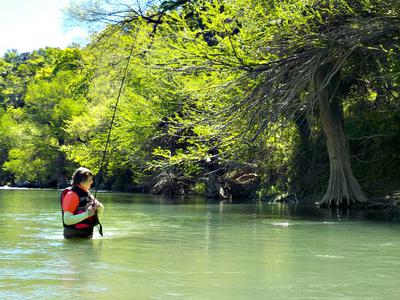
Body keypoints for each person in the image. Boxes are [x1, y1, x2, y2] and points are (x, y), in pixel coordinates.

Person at [61, 167, 104, 239]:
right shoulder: (71, 195)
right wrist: (86, 214)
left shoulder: (87, 192)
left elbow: (101, 210)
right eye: (90, 180)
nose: (92, 182)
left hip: (87, 234)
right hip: (73, 237)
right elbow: (67, 220)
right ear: (81, 182)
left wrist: (98, 206)